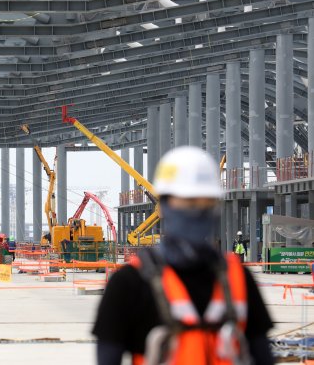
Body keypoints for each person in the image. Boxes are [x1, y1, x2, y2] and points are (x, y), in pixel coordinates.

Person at [93, 146, 273, 365]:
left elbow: (262, 356)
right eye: (187, 203)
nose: (197, 211)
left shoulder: (239, 279)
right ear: (165, 206)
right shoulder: (129, 283)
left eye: (206, 203)